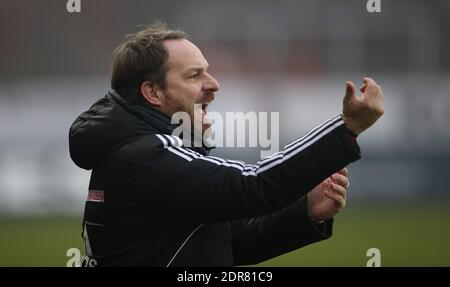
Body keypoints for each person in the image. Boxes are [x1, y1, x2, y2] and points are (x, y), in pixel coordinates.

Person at [69, 23, 384, 267]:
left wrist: (305, 213)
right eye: (195, 75)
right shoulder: (147, 157)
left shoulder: (133, 152)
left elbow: (225, 244)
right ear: (153, 93)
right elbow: (253, 184)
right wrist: (346, 128)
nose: (213, 83)